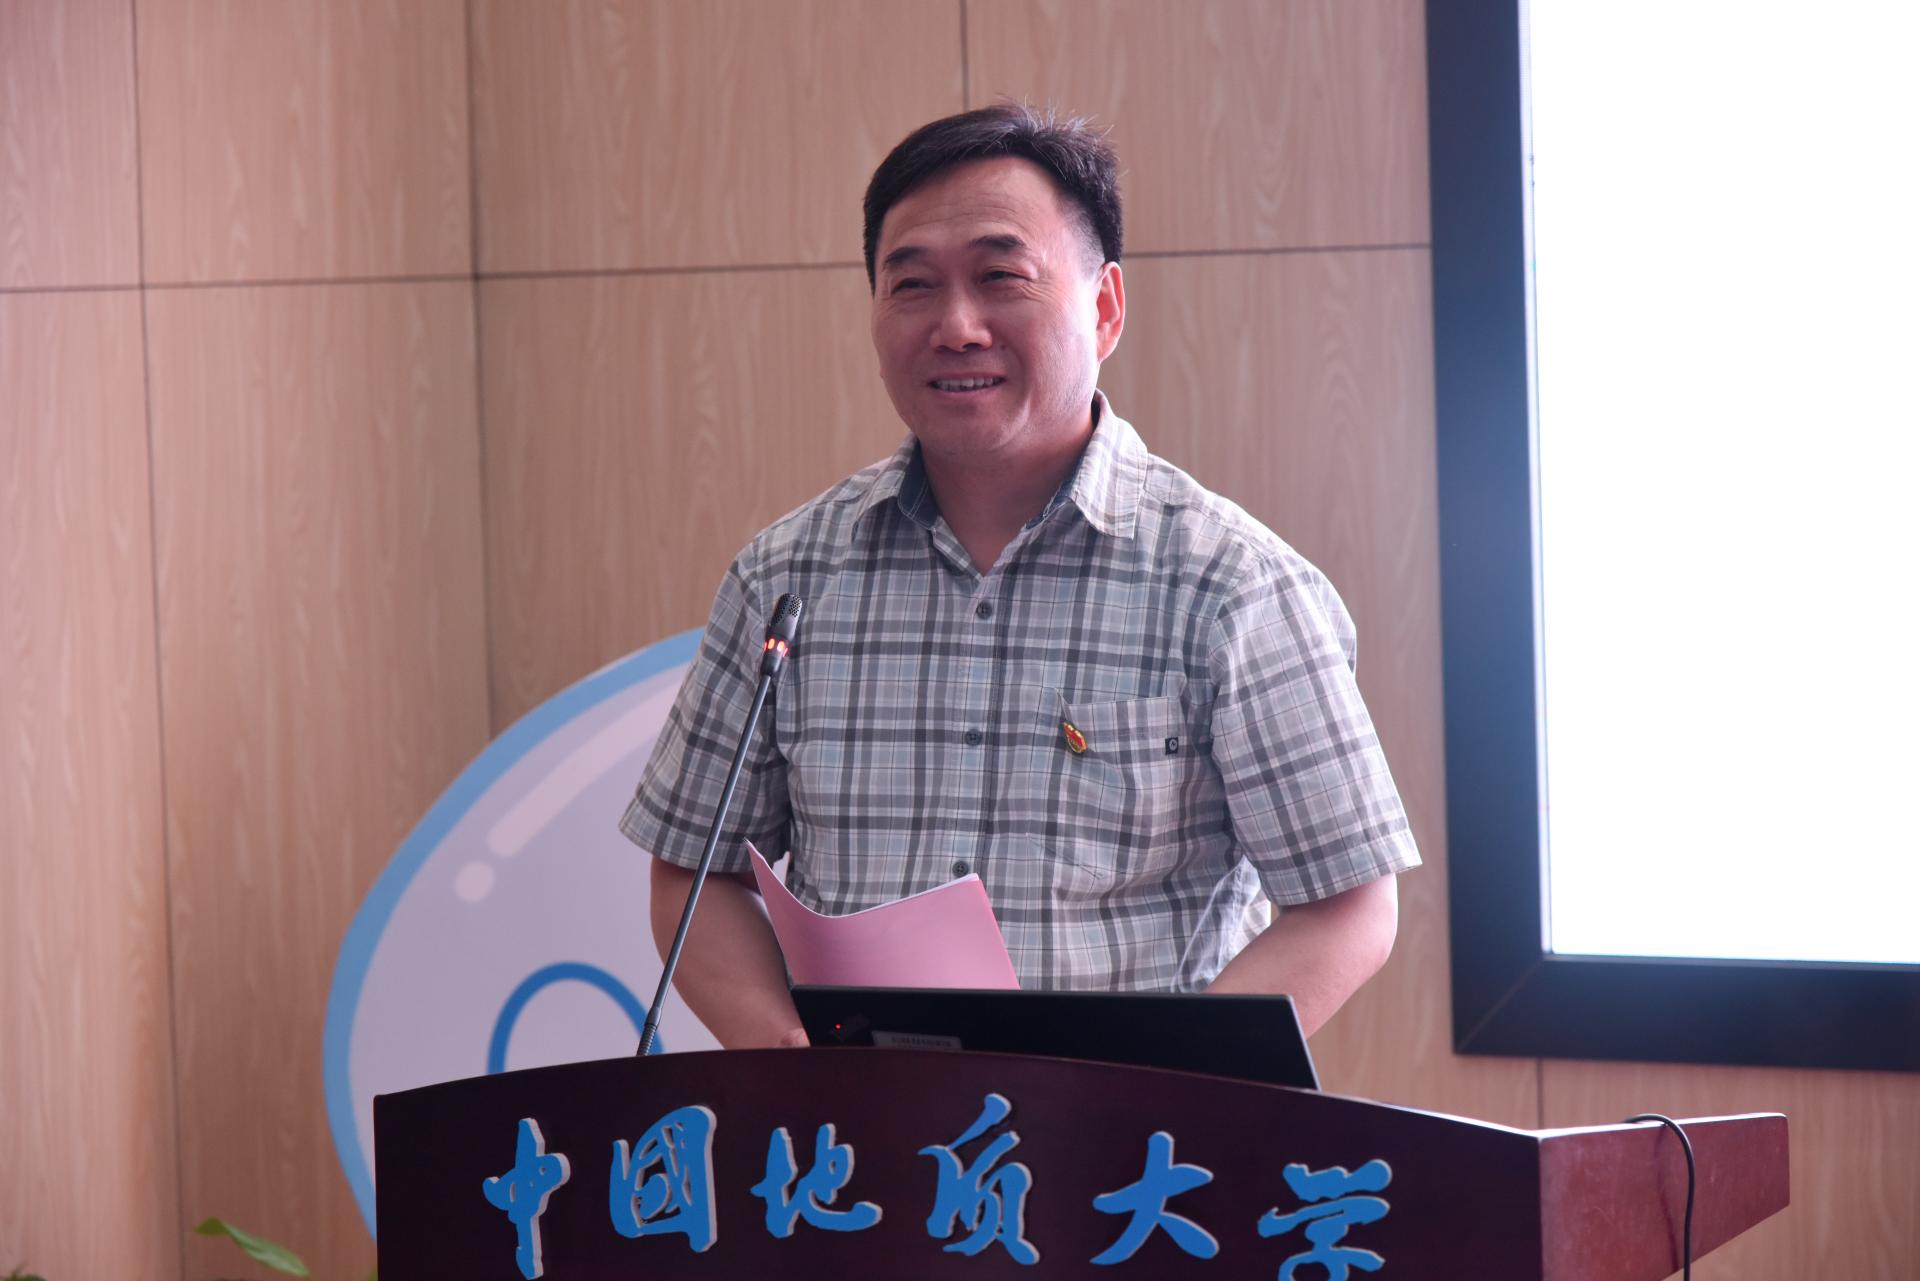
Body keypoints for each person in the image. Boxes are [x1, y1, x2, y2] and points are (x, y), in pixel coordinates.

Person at [621, 104, 1419, 1048]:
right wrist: (797, 1069)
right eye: (912, 285)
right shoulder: (785, 577)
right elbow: (694, 870)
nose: (956, 326)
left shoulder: (1234, 586)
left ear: (1105, 307)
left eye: (1001, 277)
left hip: (1132, 1133)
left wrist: (1158, 1085)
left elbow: (1347, 906)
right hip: (860, 1131)